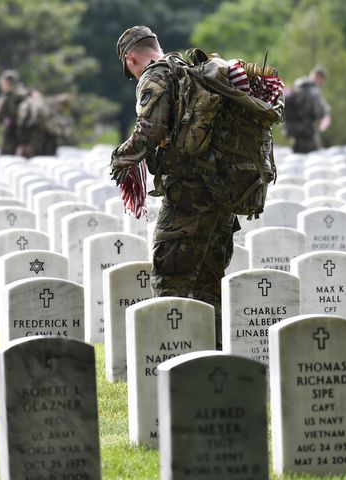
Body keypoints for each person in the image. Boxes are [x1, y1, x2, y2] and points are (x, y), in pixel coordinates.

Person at [110, 26, 238, 346]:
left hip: (188, 195)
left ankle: (174, 361)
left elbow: (149, 131)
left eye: (130, 69)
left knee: (170, 279)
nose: (133, 74)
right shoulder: (190, 69)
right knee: (210, 285)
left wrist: (120, 158)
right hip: (223, 194)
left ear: (131, 58)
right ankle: (215, 361)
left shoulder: (155, 77)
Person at [283, 66, 330, 153]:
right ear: (318, 77)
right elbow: (319, 111)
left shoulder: (297, 87)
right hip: (307, 133)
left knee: (297, 159)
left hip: (294, 131)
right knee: (313, 161)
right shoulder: (313, 91)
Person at [0, 69, 28, 155]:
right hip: (20, 134)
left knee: (7, 157)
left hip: (14, 134)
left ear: (7, 83)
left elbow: (9, 117)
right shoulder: (22, 95)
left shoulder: (13, 97)